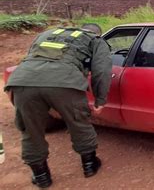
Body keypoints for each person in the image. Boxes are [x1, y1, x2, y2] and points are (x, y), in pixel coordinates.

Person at [4, 23, 112, 188]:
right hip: (65, 83)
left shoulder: (47, 33)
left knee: (30, 129)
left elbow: (31, 57)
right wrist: (100, 100)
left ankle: (41, 177)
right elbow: (102, 70)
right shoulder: (95, 39)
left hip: (23, 81)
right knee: (79, 123)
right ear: (97, 33)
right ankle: (89, 166)